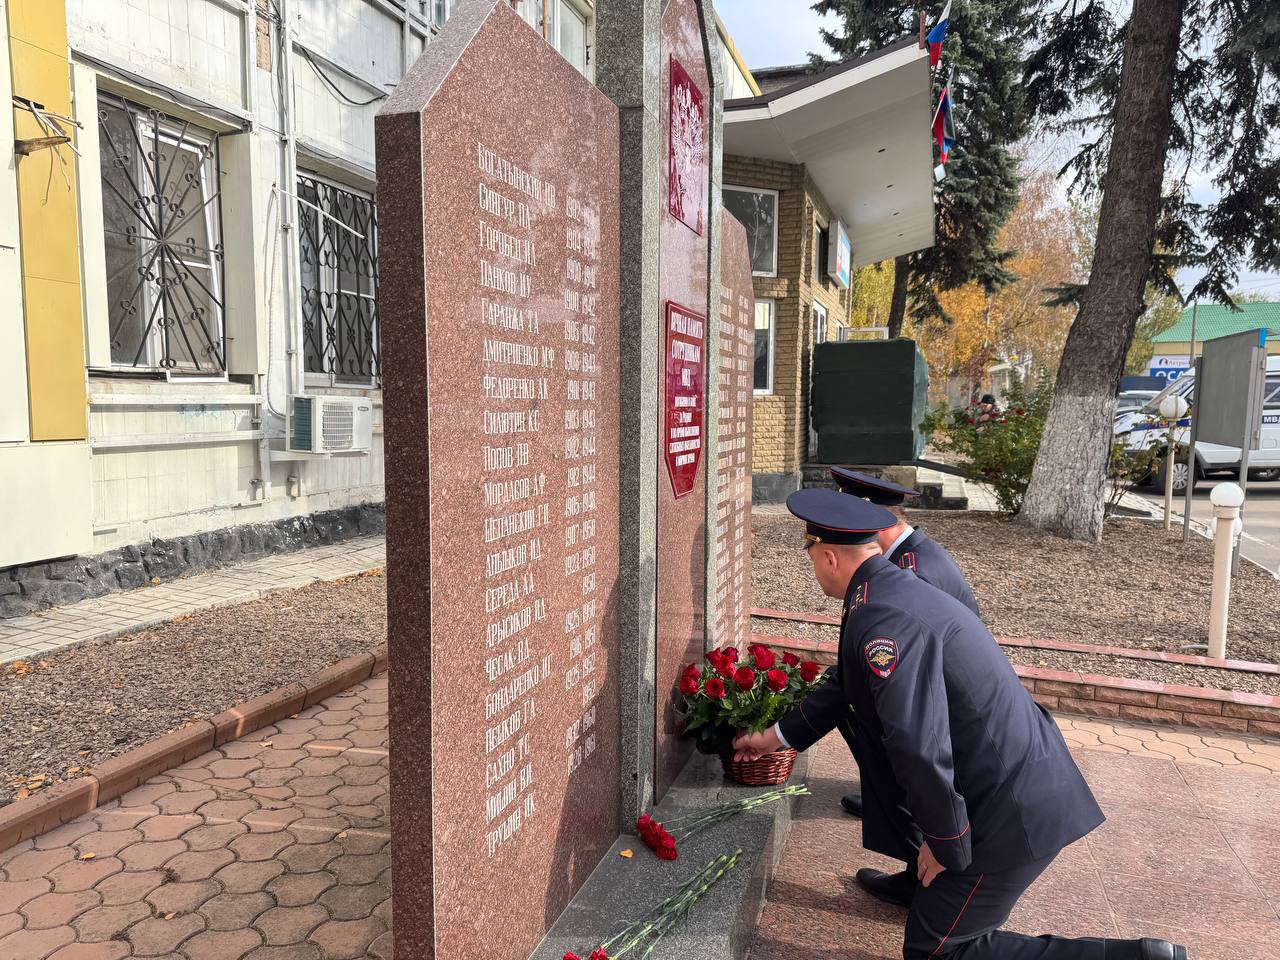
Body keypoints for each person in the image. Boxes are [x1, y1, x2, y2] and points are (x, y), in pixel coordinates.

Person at [734, 489, 1187, 960]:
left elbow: (917, 744)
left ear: (828, 557)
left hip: (1007, 804)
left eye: (811, 558)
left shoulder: (883, 617)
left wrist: (944, 840)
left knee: (940, 951)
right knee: (938, 938)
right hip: (1007, 783)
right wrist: (774, 738)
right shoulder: (889, 590)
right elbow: (848, 685)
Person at [823, 468, 979, 824]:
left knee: (856, 698)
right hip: (936, 688)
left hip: (947, 703)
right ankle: (889, 793)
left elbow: (909, 681)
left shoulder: (914, 569)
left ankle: (903, 807)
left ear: (873, 523)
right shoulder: (906, 554)